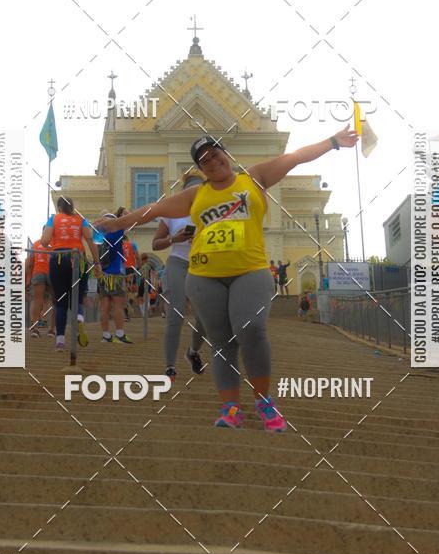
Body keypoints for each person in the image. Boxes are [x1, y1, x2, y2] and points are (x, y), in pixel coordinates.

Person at [95, 126, 357, 430]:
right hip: (205, 276)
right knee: (221, 342)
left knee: (253, 330)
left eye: (215, 153)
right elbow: (153, 210)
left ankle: (264, 402)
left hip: (250, 270)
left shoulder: (254, 178)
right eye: (204, 160)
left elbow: (296, 157)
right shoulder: (196, 195)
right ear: (200, 169)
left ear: (225, 154)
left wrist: (334, 142)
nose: (212, 161)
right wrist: (117, 225)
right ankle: (231, 408)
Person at [151, 172, 206, 381]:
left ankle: (193, 352)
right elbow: (156, 243)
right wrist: (175, 238)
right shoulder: (172, 212)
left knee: (205, 318)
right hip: (178, 263)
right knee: (176, 314)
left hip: (202, 265)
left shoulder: (210, 211)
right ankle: (170, 366)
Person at [41, 197, 101, 351]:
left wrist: (51, 243)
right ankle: (79, 317)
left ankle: (60, 341)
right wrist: (96, 262)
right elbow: (90, 239)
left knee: (60, 302)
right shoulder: (81, 219)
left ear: (59, 207)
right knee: (78, 296)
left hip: (59, 258)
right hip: (78, 259)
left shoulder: (53, 218)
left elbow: (45, 240)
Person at [96, 209, 133, 345]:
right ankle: (119, 334)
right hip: (116, 272)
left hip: (103, 273)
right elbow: (131, 219)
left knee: (104, 305)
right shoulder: (117, 231)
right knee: (118, 304)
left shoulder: (99, 235)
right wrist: (124, 214)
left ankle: (106, 335)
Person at [25, 237, 55, 336]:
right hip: (51, 273)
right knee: (54, 301)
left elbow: (29, 263)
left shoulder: (36, 244)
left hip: (37, 272)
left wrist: (28, 279)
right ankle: (51, 330)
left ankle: (35, 328)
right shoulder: (55, 243)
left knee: (36, 300)